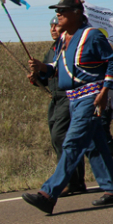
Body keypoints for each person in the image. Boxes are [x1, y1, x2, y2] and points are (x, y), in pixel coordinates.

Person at [22, 0, 113, 214]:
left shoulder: (92, 35)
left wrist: (106, 91)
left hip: (91, 97)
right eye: (57, 11)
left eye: (63, 10)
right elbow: (58, 68)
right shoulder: (62, 40)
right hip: (73, 99)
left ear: (77, 13)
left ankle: (48, 194)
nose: (58, 14)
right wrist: (42, 67)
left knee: (72, 143)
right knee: (94, 145)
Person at [35, 16, 87, 196]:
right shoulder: (52, 49)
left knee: (61, 137)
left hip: (68, 96)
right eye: (51, 26)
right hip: (55, 98)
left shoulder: (68, 48)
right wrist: (36, 76)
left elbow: (63, 70)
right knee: (59, 138)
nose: (53, 29)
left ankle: (70, 180)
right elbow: (46, 75)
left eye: (56, 25)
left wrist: (44, 68)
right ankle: (76, 180)